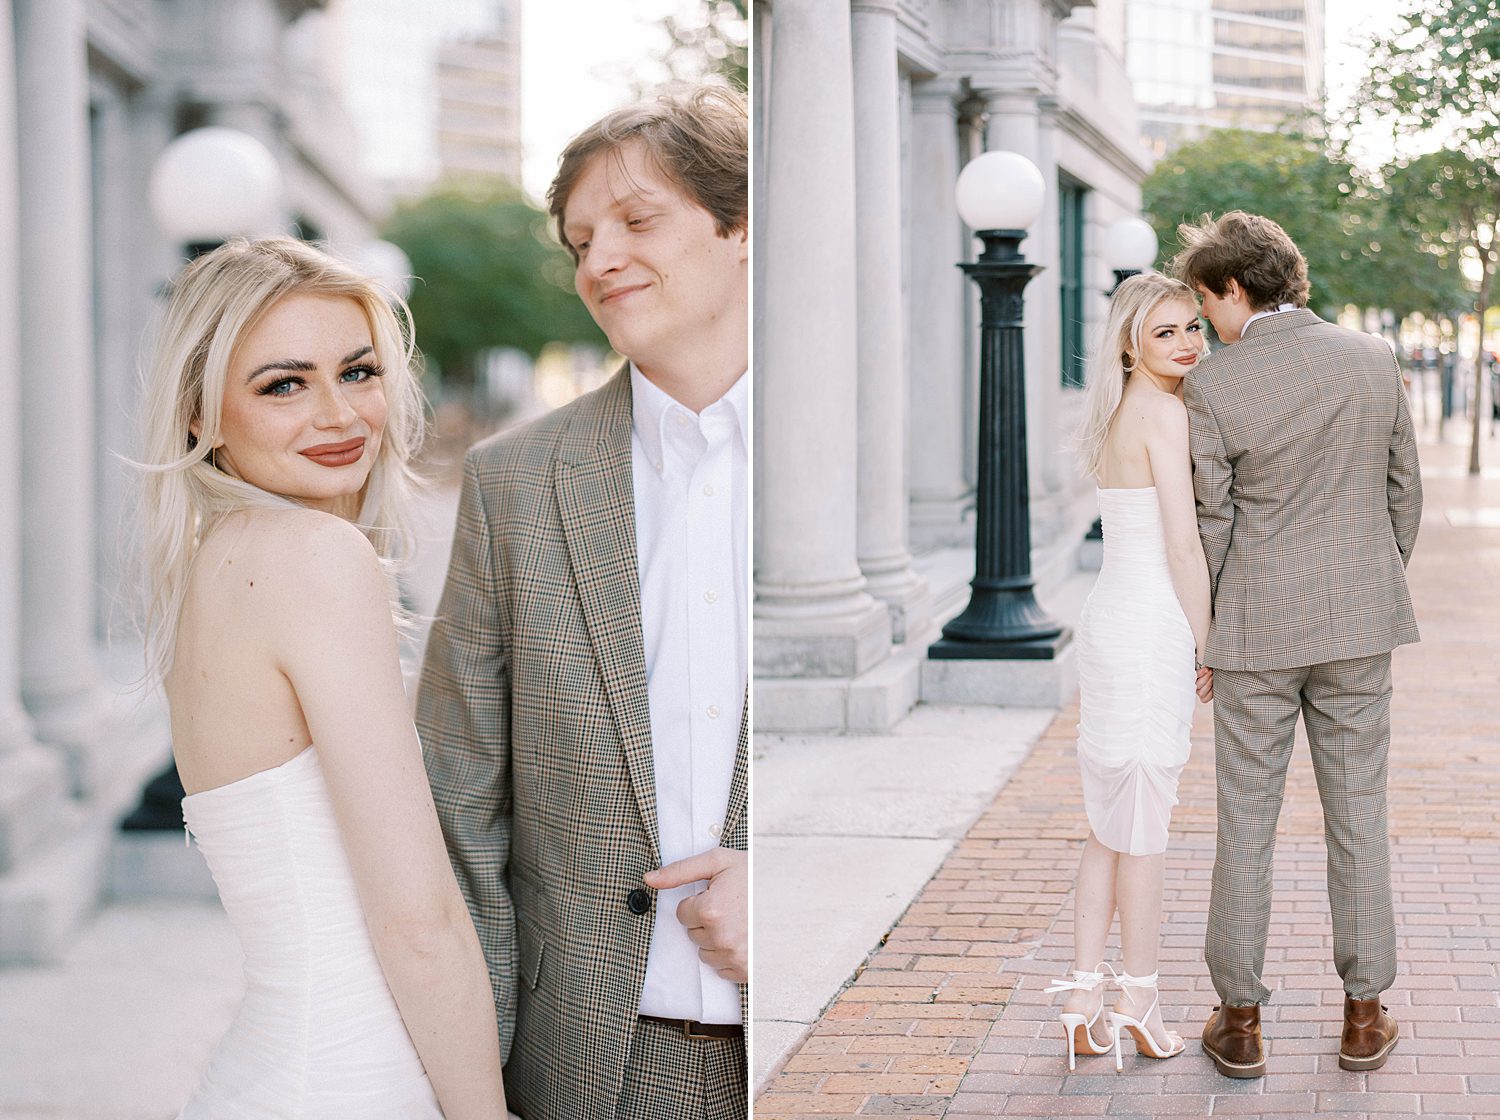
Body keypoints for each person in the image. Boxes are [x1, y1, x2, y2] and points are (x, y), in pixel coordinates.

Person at [418, 84, 749, 1120]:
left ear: (741, 227)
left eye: (639, 219)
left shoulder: (856, 468)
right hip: (597, 1064)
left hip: (830, 1025)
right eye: (579, 239)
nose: (599, 260)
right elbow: (459, 805)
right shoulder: (513, 482)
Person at [137, 237, 507, 1119]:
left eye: (358, 371)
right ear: (200, 412)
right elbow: (419, 925)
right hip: (351, 1078)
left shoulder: (215, 562)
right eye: (284, 384)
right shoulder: (315, 558)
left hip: (276, 1068)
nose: (340, 416)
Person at [1175, 211, 1422, 1078]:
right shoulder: (1372, 361)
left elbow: (1214, 522)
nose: (1207, 324)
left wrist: (1206, 634)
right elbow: (1404, 496)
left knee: (1246, 821)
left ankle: (1239, 1021)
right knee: (1360, 818)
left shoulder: (1214, 385)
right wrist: (1369, 575)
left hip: (1254, 629)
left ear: (1235, 288)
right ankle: (1363, 1016)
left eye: (1208, 306)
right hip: (1360, 623)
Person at [1048, 272, 1214, 1071]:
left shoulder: (1116, 414)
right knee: (1144, 832)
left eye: (1193, 328)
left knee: (1111, 823)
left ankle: (1084, 995)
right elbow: (1183, 545)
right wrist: (1208, 641)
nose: (1187, 343)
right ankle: (1138, 1002)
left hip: (1111, 621)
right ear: (1128, 344)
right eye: (1166, 333)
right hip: (1151, 630)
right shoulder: (1165, 414)